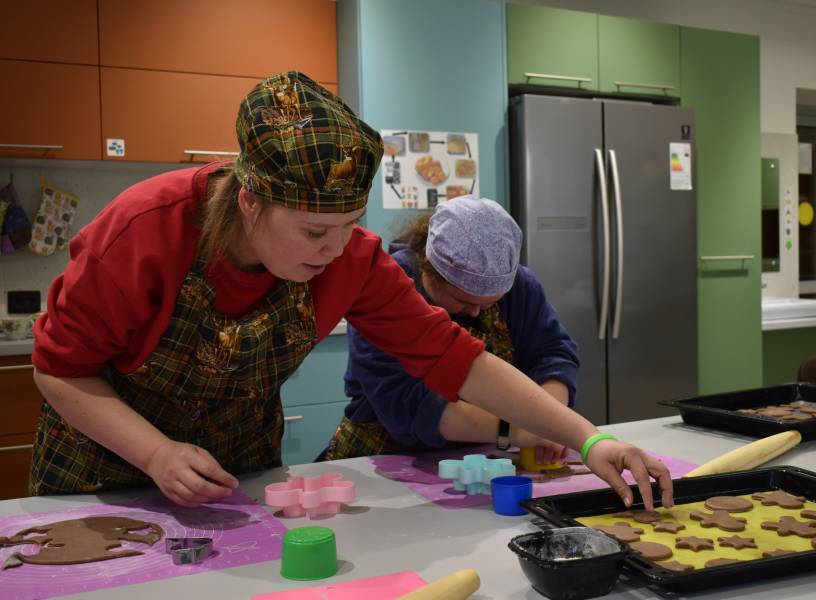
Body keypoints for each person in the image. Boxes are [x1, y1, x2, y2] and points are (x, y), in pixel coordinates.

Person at [30, 71, 672, 510]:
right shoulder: (145, 231)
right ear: (250, 204)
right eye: (315, 231)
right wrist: (156, 452)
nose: (337, 250)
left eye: (348, 227)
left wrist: (592, 440)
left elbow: (457, 359)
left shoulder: (353, 261)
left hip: (234, 470)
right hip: (103, 468)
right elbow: (60, 371)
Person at [320, 196, 577, 465]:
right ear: (428, 269)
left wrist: (549, 422)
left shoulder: (520, 287)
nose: (476, 313)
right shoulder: (388, 290)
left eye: (490, 303)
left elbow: (553, 356)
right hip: (389, 457)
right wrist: (520, 429)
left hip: (488, 457)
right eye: (464, 302)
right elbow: (411, 404)